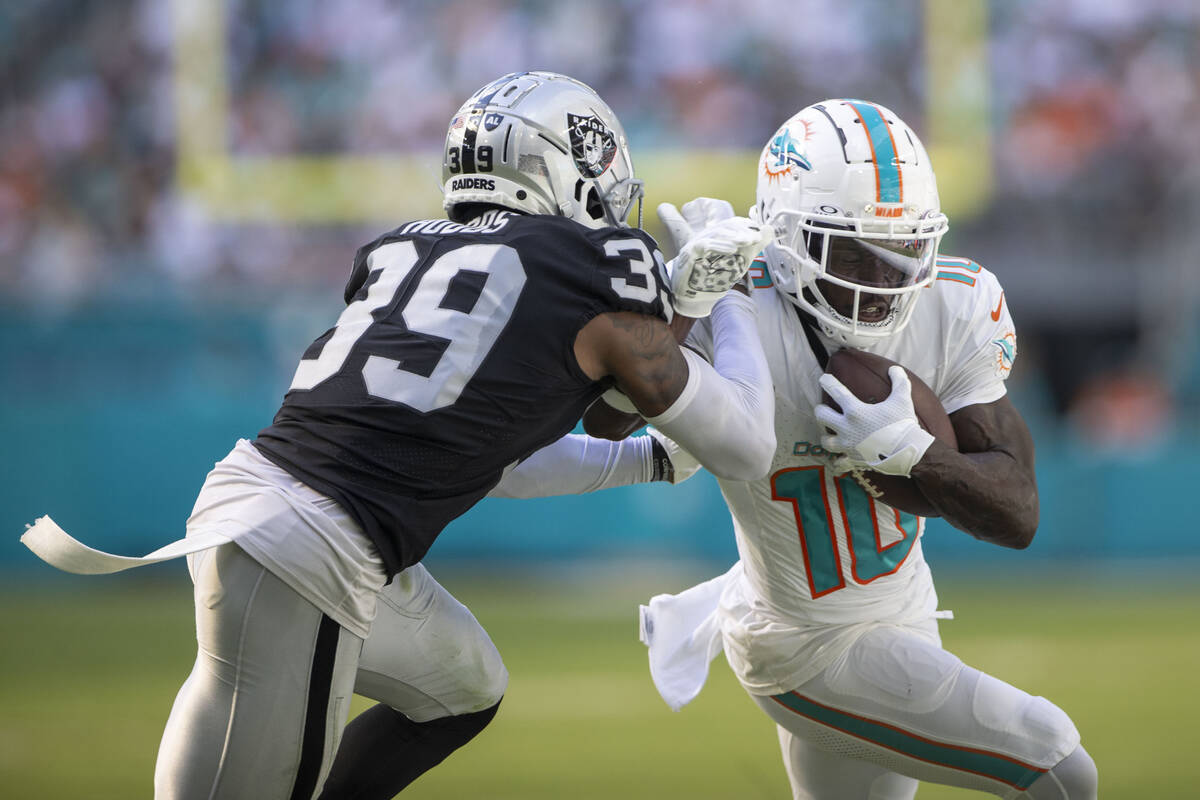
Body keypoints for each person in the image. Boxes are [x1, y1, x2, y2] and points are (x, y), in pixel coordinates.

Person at [20, 71, 775, 800]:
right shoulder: (596, 265)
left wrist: (644, 457)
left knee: (461, 687)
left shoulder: (404, 249)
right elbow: (694, 426)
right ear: (562, 167)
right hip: (317, 544)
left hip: (272, 510)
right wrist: (712, 297)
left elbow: (505, 456)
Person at [506, 99, 1099, 799]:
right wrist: (687, 309)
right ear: (782, 238)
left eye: (903, 249)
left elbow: (1019, 513)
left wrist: (917, 453)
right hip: (804, 645)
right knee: (1060, 769)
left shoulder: (954, 303)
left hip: (905, 610)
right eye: (853, 252)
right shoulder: (737, 305)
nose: (882, 285)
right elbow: (608, 422)